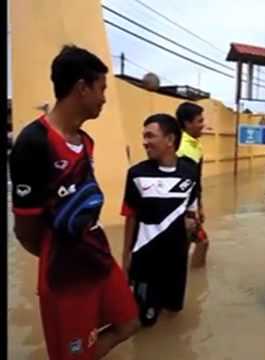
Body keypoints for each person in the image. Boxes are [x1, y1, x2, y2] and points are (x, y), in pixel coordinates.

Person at [9, 45, 139, 359]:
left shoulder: (86, 141)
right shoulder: (33, 143)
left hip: (98, 256)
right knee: (73, 352)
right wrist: (61, 252)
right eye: (102, 88)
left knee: (129, 323)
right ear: (82, 88)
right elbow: (26, 228)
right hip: (65, 272)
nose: (105, 98)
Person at [121, 114, 199, 327]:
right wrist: (125, 259)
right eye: (143, 136)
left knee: (173, 315)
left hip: (177, 261)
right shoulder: (136, 174)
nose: (144, 141)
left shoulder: (190, 172)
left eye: (150, 136)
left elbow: (192, 209)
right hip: (145, 261)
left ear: (170, 140)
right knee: (145, 322)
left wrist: (193, 224)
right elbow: (131, 217)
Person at [176, 102, 209, 268]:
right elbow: (185, 184)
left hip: (191, 206)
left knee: (186, 242)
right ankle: (195, 279)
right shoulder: (182, 148)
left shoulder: (195, 145)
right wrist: (190, 212)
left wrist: (200, 207)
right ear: (187, 123)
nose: (203, 125)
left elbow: (197, 180)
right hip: (184, 208)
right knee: (202, 243)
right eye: (199, 121)